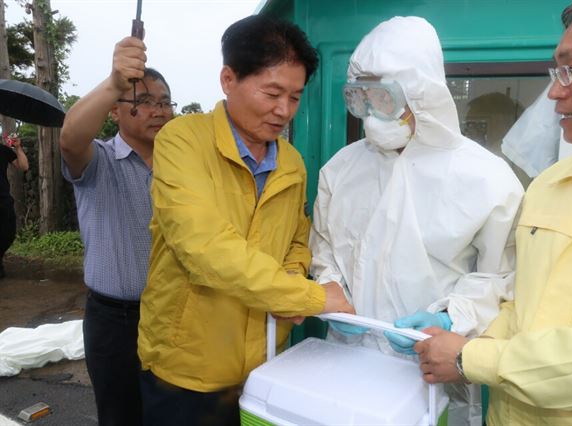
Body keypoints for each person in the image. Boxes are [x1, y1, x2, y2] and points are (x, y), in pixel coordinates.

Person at [416, 1, 572, 424]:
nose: (555, 91)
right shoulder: (551, 185)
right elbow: (523, 303)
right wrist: (462, 334)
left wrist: (473, 359)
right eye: (556, 73)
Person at [136, 15, 354, 426]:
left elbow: (296, 238)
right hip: (188, 367)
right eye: (272, 92)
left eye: (295, 96)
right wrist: (306, 297)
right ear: (228, 79)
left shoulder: (290, 160)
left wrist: (291, 278)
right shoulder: (183, 140)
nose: (283, 110)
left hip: (266, 360)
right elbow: (205, 247)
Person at [309, 17, 523, 425]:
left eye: (384, 98)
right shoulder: (340, 170)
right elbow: (324, 250)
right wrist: (330, 289)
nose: (372, 113)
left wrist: (452, 317)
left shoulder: (486, 178)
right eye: (361, 97)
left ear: (421, 94)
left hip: (434, 366)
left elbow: (501, 278)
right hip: (345, 357)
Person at [59, 36, 174, 426]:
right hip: (115, 322)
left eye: (163, 102)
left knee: (171, 412)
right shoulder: (99, 161)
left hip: (175, 315)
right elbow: (70, 139)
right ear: (115, 112)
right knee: (120, 415)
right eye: (142, 102)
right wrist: (114, 82)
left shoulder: (182, 169)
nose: (157, 110)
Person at [0, 134, 28, 278]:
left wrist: (18, 147)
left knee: (8, 233)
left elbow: (24, 166)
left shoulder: (3, 151)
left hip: (3, 199)